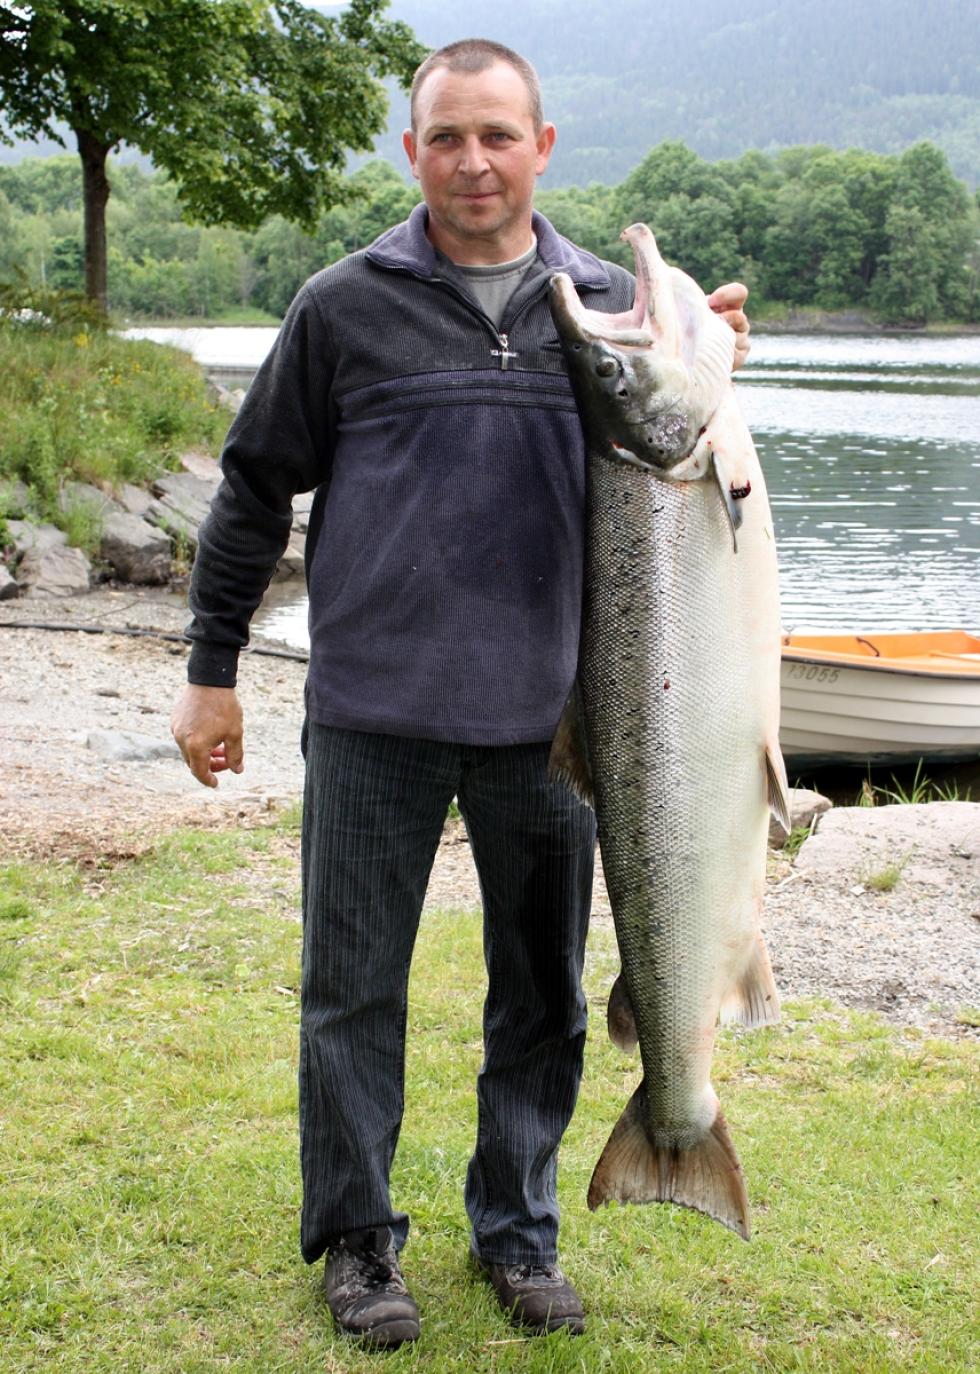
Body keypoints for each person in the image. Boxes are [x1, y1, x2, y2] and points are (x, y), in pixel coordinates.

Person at [171, 38, 750, 1349]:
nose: (473, 160)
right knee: (349, 990)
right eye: (447, 137)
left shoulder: (611, 306)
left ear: (541, 147)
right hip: (372, 711)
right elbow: (255, 486)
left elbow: (694, 477)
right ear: (412, 151)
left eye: (498, 135)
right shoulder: (340, 305)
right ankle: (360, 1241)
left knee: (539, 994)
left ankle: (519, 1232)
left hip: (561, 728)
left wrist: (718, 367)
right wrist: (212, 670)